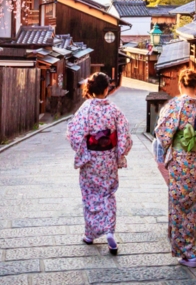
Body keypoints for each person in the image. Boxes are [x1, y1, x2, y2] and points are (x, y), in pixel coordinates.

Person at [154, 68, 196, 268]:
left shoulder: (175, 106)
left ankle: (185, 250)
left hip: (181, 161)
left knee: (179, 202)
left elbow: (162, 134)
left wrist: (169, 147)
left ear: (181, 85)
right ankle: (190, 248)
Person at [66, 72, 132, 255]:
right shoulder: (114, 110)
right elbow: (124, 134)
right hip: (108, 158)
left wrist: (82, 150)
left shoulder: (85, 109)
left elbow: (74, 133)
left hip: (90, 159)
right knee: (108, 194)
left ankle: (90, 234)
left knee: (89, 194)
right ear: (106, 89)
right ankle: (109, 231)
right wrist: (120, 153)